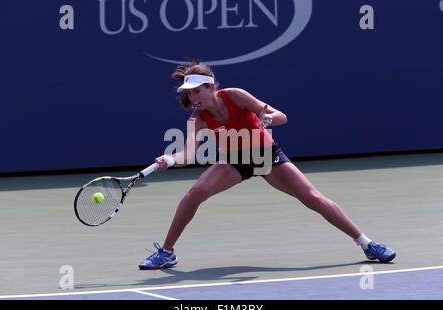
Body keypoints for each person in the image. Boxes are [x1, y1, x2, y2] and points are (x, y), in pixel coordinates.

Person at [138, 59, 396, 270]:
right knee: (193, 195)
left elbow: (281, 116)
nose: (193, 97)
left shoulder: (236, 96)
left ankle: (366, 244)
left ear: (211, 87)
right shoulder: (197, 119)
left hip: (265, 156)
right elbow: (188, 155)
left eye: (197, 91)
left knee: (312, 198)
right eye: (189, 93)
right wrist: (170, 159)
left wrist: (269, 118)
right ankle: (166, 252)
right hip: (234, 162)